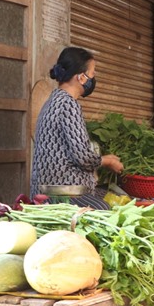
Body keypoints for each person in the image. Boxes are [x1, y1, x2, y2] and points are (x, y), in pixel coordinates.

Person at [31, 47, 123, 209]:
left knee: (111, 198)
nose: (93, 79)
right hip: (62, 193)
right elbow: (83, 157)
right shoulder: (68, 104)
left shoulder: (53, 100)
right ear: (81, 77)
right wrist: (107, 161)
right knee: (107, 209)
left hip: (46, 190)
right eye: (92, 74)